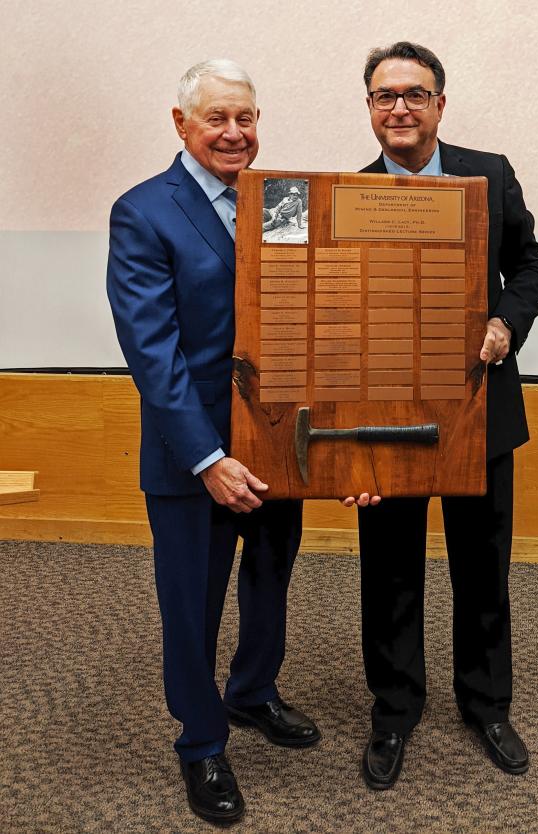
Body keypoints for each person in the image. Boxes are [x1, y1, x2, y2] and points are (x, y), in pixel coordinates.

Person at [106, 59, 320, 824]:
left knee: (269, 580)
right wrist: (207, 458)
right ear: (181, 124)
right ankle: (200, 742)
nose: (236, 133)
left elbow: (312, 316)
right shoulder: (143, 211)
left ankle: (254, 693)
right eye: (218, 119)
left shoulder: (286, 202)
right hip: (191, 455)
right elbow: (151, 353)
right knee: (192, 602)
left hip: (275, 442)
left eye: (248, 118)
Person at [353, 41, 538, 790]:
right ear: (370, 109)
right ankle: (395, 710)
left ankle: (487, 704)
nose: (398, 108)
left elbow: (531, 265)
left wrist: (506, 321)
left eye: (413, 93)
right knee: (391, 570)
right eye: (383, 96)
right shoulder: (347, 191)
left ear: (440, 103)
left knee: (481, 567)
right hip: (387, 419)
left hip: (479, 412)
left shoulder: (489, 174)